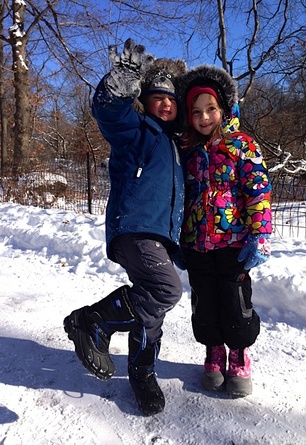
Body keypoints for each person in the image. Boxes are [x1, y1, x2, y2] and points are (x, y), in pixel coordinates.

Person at [63, 39, 186, 416]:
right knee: (165, 290)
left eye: (171, 98)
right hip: (133, 226)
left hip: (160, 235)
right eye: (156, 97)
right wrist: (117, 88)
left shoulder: (176, 145)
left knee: (152, 309)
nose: (165, 103)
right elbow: (110, 113)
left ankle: (142, 371)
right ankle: (93, 320)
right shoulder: (136, 129)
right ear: (144, 101)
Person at [178, 65, 272, 398]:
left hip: (233, 242)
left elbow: (258, 189)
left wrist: (259, 234)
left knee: (234, 301)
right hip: (195, 243)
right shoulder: (186, 150)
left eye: (211, 109)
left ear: (223, 109)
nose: (204, 117)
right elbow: (177, 194)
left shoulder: (240, 145)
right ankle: (214, 350)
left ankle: (238, 353)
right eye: (196, 112)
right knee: (204, 301)